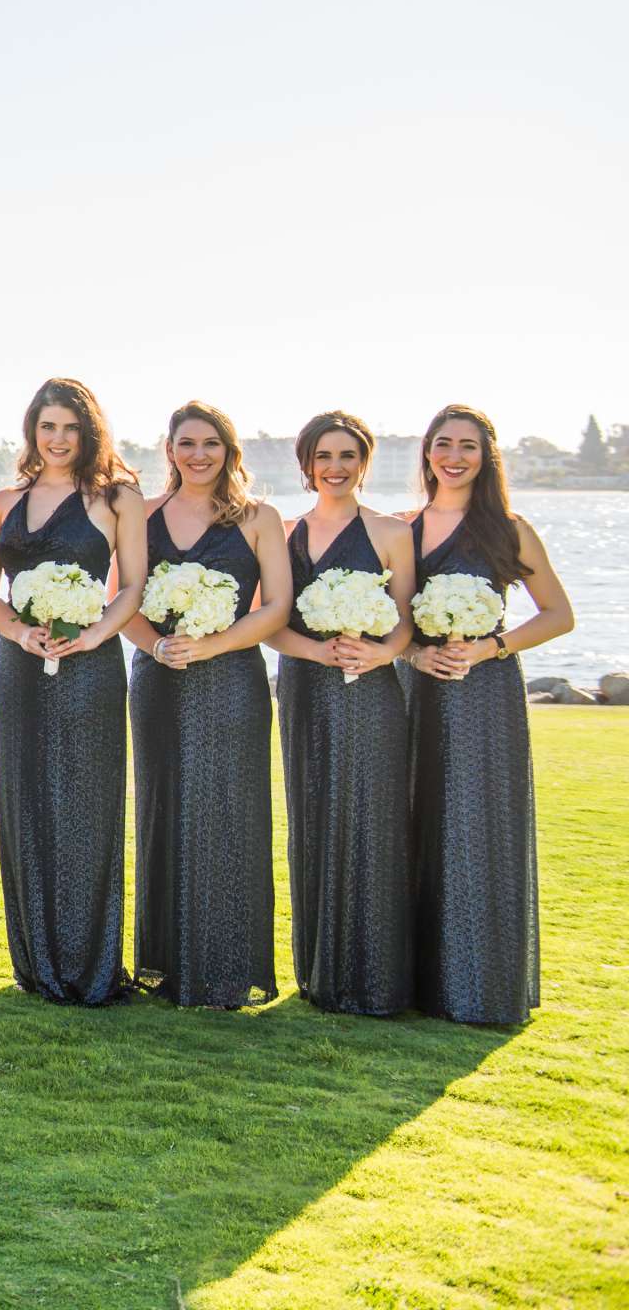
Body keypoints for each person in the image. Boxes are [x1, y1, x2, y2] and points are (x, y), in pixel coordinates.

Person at [406, 404, 573, 1026]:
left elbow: (558, 614)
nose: (454, 455)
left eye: (468, 446)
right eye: (443, 443)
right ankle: (420, 981)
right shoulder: (406, 529)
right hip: (417, 689)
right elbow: (393, 615)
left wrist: (490, 646)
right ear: (427, 453)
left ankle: (481, 982)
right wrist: (417, 657)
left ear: (486, 456)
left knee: (479, 826)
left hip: (486, 691)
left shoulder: (509, 529)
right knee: (419, 820)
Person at [120, 401, 289, 1008]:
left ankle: (224, 968)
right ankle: (165, 962)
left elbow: (276, 608)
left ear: (228, 450)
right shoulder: (141, 515)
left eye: (210, 443)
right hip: (160, 679)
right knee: (163, 809)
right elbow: (124, 600)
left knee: (228, 813)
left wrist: (215, 643)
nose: (198, 454)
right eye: (186, 443)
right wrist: (158, 645)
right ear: (169, 450)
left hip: (232, 680)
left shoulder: (260, 518)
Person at [0, 376, 145, 1005]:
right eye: (47, 427)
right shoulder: (3, 501)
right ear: (32, 431)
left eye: (70, 428)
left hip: (90, 667)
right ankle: (35, 962)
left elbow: (131, 585)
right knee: (26, 802)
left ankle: (89, 963)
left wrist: (99, 632)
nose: (58, 439)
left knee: (86, 806)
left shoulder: (117, 498)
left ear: (89, 431)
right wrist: (21, 634)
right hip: (22, 667)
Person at [267, 410, 415, 1016]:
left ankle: (376, 975)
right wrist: (317, 651)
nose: (335, 467)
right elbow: (268, 621)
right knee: (314, 816)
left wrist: (379, 654)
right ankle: (321, 973)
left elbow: (407, 619)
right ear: (307, 465)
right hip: (305, 685)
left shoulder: (390, 532)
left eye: (347, 456)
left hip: (371, 689)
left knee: (371, 817)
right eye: (323, 457)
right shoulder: (284, 532)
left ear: (364, 462)